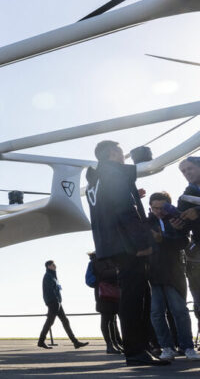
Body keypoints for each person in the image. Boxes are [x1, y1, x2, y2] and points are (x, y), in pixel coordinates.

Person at [85, 140, 166, 366]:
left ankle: (136, 350)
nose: (124, 157)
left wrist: (131, 194)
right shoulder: (113, 174)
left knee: (132, 296)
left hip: (110, 244)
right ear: (113, 153)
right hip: (127, 245)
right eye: (121, 153)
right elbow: (123, 210)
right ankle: (136, 351)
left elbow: (107, 207)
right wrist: (142, 243)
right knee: (136, 297)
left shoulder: (95, 179)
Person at [146, 192, 199, 360]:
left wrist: (163, 239)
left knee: (180, 312)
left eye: (162, 208)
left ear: (168, 207)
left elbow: (184, 243)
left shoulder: (177, 221)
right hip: (153, 274)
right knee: (156, 313)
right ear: (150, 207)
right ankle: (166, 348)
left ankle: (188, 347)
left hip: (174, 273)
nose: (159, 211)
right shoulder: (146, 223)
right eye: (155, 208)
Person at [37, 260, 88, 349]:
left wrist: (58, 301)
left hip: (57, 302)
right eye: (53, 265)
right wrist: (55, 301)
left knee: (64, 321)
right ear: (48, 266)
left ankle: (75, 342)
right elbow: (49, 291)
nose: (55, 266)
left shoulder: (52, 275)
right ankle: (41, 341)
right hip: (54, 302)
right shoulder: (48, 276)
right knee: (50, 322)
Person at [176, 157, 200, 333]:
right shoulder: (184, 198)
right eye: (183, 171)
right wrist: (176, 226)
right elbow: (182, 233)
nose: (186, 173)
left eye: (189, 168)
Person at [86, 251, 122, 354]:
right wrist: (116, 272)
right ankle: (110, 345)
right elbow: (94, 278)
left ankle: (115, 344)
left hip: (111, 292)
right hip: (104, 293)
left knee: (112, 319)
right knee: (107, 318)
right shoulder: (96, 261)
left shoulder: (107, 259)